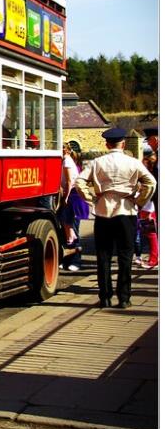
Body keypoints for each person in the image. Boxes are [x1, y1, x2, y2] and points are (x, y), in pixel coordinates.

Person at [75, 128, 156, 309]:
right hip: (126, 212)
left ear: (107, 144)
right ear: (123, 144)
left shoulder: (97, 163)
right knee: (125, 256)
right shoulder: (133, 162)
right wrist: (139, 201)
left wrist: (92, 198)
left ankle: (104, 297)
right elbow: (151, 182)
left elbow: (79, 182)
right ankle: (124, 298)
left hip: (103, 212)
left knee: (103, 256)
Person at [59, 143, 90, 271]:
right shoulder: (67, 161)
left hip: (73, 198)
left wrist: (65, 197)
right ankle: (66, 260)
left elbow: (70, 182)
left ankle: (76, 261)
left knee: (73, 228)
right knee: (67, 229)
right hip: (70, 197)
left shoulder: (67, 161)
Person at [138, 148, 158, 269]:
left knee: (151, 234)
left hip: (148, 207)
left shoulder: (150, 178)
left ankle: (154, 259)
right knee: (150, 234)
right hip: (148, 207)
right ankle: (154, 258)